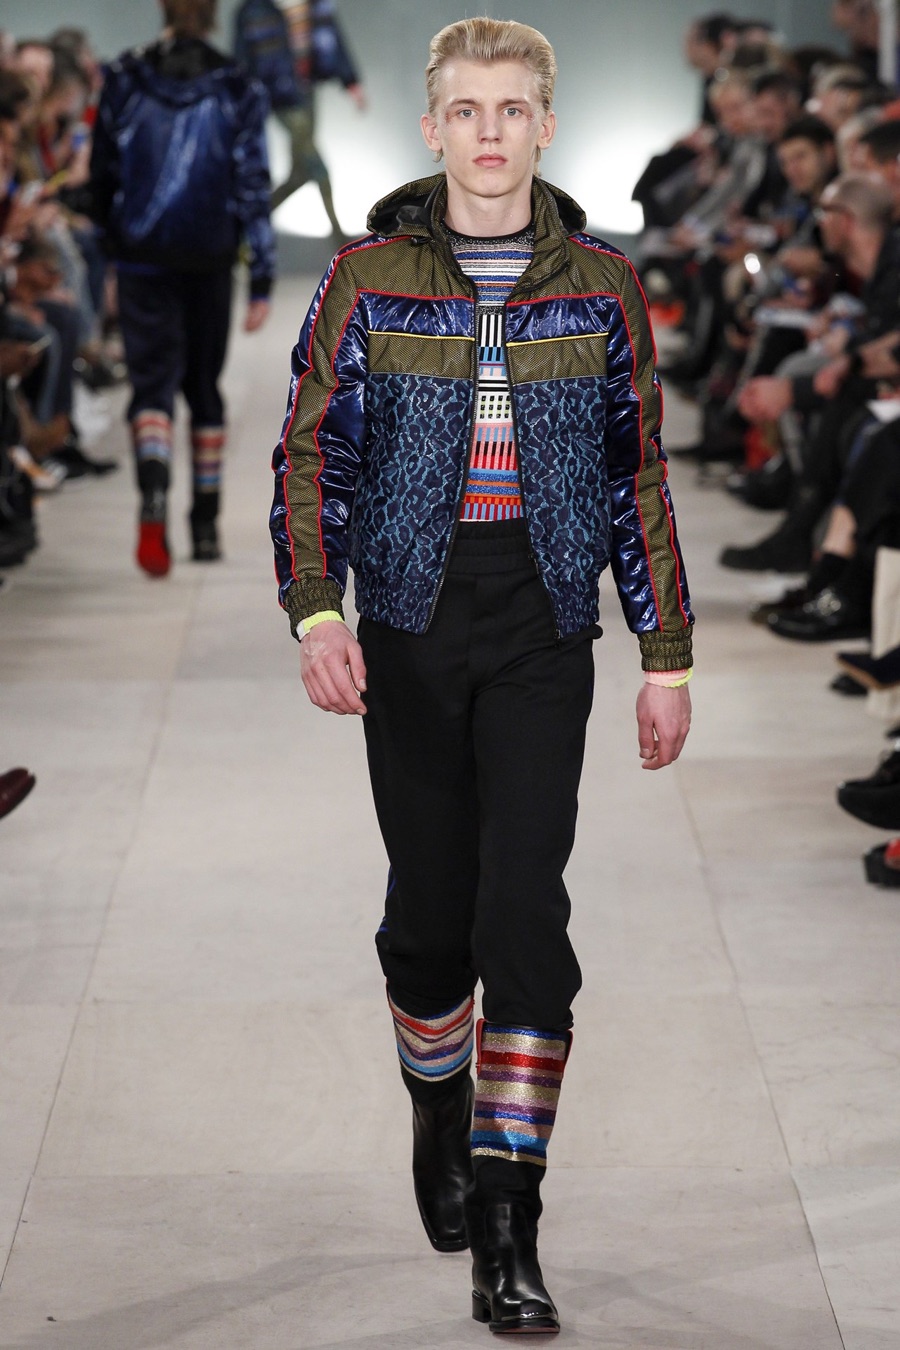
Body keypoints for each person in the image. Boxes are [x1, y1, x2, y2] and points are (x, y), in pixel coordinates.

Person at [269, 17, 693, 1335]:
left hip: (542, 618)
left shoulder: (605, 284)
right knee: (429, 915)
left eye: (514, 109)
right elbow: (312, 452)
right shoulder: (367, 277)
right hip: (408, 616)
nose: (491, 131)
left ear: (546, 126)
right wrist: (317, 611)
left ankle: (510, 1221)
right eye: (468, 110)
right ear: (433, 127)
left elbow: (634, 471)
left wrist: (667, 653)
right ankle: (435, 1101)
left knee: (525, 913)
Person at [90, 0, 275, 576]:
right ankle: (206, 526)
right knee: (203, 389)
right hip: (209, 259)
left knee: (151, 388)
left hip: (142, 260)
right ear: (214, 13)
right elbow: (252, 181)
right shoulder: (237, 86)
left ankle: (153, 496)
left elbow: (102, 175)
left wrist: (110, 251)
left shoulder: (125, 79)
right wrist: (262, 274)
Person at [233, 0, 364, 241]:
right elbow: (242, 59)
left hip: (307, 90)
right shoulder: (253, 10)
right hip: (280, 96)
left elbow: (332, 37)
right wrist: (243, 103)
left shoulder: (316, 5)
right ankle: (339, 237)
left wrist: (351, 81)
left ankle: (243, 225)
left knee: (300, 173)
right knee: (317, 165)